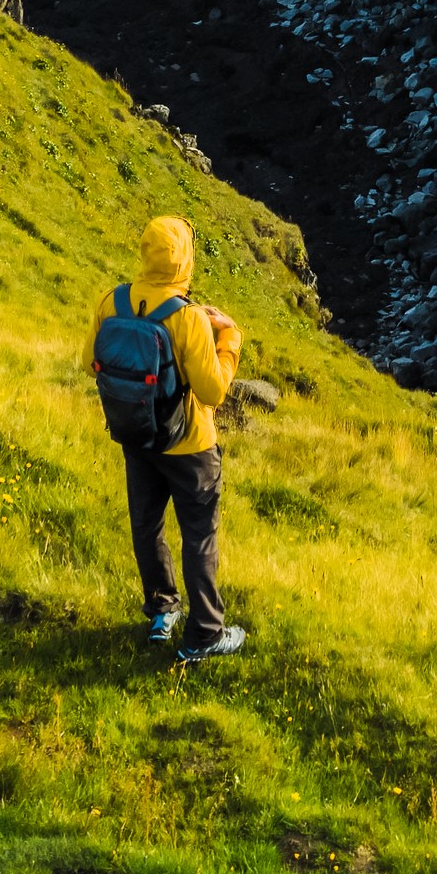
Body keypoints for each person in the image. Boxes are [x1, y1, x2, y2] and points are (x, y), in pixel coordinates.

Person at [94, 213, 245, 655]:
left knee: (147, 524)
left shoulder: (112, 302)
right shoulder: (190, 318)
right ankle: (204, 636)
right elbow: (213, 391)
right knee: (198, 534)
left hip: (137, 435)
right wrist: (229, 338)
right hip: (190, 445)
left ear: (145, 251)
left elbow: (92, 361)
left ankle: (163, 611)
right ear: (186, 260)